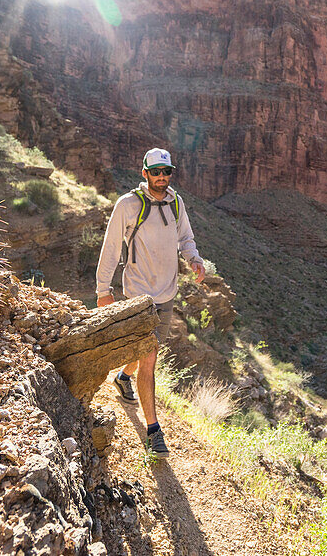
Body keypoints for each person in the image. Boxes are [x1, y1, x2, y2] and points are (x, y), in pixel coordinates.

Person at [95, 147, 205, 456]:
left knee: (147, 350)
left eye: (166, 172)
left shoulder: (176, 203)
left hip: (167, 294)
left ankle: (123, 377)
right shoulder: (128, 205)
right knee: (150, 355)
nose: (161, 177)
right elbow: (111, 247)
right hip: (139, 294)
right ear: (144, 173)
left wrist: (194, 259)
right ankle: (154, 430)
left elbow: (186, 239)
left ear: (171, 173)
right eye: (155, 171)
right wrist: (103, 289)